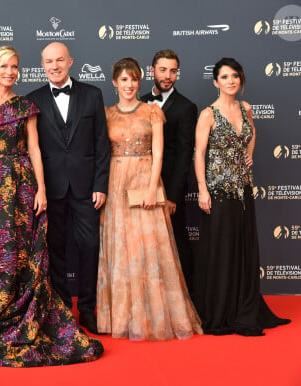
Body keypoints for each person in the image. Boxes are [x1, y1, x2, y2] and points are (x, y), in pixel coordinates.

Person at [0, 45, 103, 367]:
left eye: (14, 67)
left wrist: (42, 189)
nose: (9, 72)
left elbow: (34, 149)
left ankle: (22, 308)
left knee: (20, 252)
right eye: (4, 66)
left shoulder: (26, 105)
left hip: (21, 186)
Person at [96, 58, 202, 341]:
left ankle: (153, 317)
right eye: (124, 80)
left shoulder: (153, 112)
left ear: (139, 82)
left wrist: (152, 188)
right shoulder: (105, 114)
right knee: (121, 249)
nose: (129, 85)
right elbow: (101, 155)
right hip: (116, 183)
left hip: (146, 179)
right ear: (114, 82)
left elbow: (159, 154)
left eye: (134, 80)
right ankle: (121, 317)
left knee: (149, 250)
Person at [193, 57, 290, 336]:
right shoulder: (208, 114)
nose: (231, 81)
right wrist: (202, 188)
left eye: (235, 75)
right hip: (218, 190)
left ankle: (245, 308)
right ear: (216, 82)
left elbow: (251, 133)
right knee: (223, 251)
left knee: (244, 248)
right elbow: (198, 153)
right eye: (225, 77)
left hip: (244, 188)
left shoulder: (246, 109)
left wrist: (248, 155)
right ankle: (222, 311)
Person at [27, 42, 110, 334]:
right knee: (56, 250)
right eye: (48, 61)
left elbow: (102, 144)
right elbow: (31, 150)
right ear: (42, 65)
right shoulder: (32, 99)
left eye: (59, 60)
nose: (54, 66)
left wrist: (101, 184)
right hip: (51, 190)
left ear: (70, 61)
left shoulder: (92, 94)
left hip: (87, 189)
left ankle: (88, 309)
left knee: (89, 248)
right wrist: (38, 189)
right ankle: (62, 308)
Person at [140, 49, 197, 292]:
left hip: (169, 188)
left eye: (173, 71)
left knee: (177, 242)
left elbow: (185, 154)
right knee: (145, 243)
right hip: (140, 184)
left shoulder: (186, 107)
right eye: (163, 70)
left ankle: (186, 298)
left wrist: (172, 195)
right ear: (151, 71)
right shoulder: (139, 102)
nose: (168, 76)